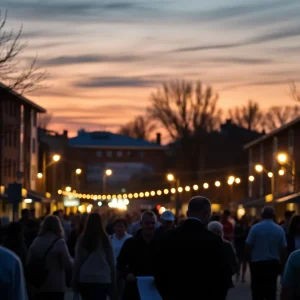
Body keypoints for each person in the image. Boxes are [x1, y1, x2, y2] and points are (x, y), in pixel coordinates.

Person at [154, 196, 232, 300]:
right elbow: (224, 276)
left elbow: (159, 271)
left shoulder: (168, 237)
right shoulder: (214, 240)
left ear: (187, 213)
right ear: (206, 214)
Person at [27, 215, 73, 300]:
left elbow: (29, 261)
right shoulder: (60, 242)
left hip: (39, 284)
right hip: (56, 285)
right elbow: (68, 263)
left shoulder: (36, 241)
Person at [246, 206, 287, 300]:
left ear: (262, 215)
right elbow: (283, 249)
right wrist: (282, 265)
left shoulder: (255, 228)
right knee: (271, 292)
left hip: (257, 264)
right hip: (272, 264)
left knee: (257, 292)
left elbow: (248, 247)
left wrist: (250, 262)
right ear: (273, 215)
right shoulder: (279, 230)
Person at [117, 211, 159, 300]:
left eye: (152, 223)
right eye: (147, 223)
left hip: (156, 289)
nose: (150, 226)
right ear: (141, 224)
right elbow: (120, 264)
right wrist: (126, 275)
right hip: (134, 289)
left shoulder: (162, 242)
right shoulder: (130, 243)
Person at [73, 213, 115, 300]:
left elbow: (78, 261)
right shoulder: (105, 238)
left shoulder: (83, 238)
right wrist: (113, 278)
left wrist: (75, 278)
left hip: (86, 277)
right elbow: (111, 260)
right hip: (103, 278)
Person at [208, 221, 238, 292]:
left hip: (223, 279)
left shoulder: (227, 245)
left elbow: (234, 263)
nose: (216, 234)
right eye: (213, 231)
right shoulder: (206, 245)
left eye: (218, 231)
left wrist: (227, 274)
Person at [111, 218, 132, 300]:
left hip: (125, 269)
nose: (119, 229)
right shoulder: (110, 238)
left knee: (123, 292)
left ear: (125, 228)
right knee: (113, 292)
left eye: (121, 226)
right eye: (117, 226)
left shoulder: (130, 239)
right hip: (113, 269)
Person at [234, 215, 250, 282]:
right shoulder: (238, 227)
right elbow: (235, 236)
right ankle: (238, 274)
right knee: (239, 262)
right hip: (239, 246)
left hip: (245, 246)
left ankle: (243, 276)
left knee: (244, 262)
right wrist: (241, 235)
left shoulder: (249, 228)